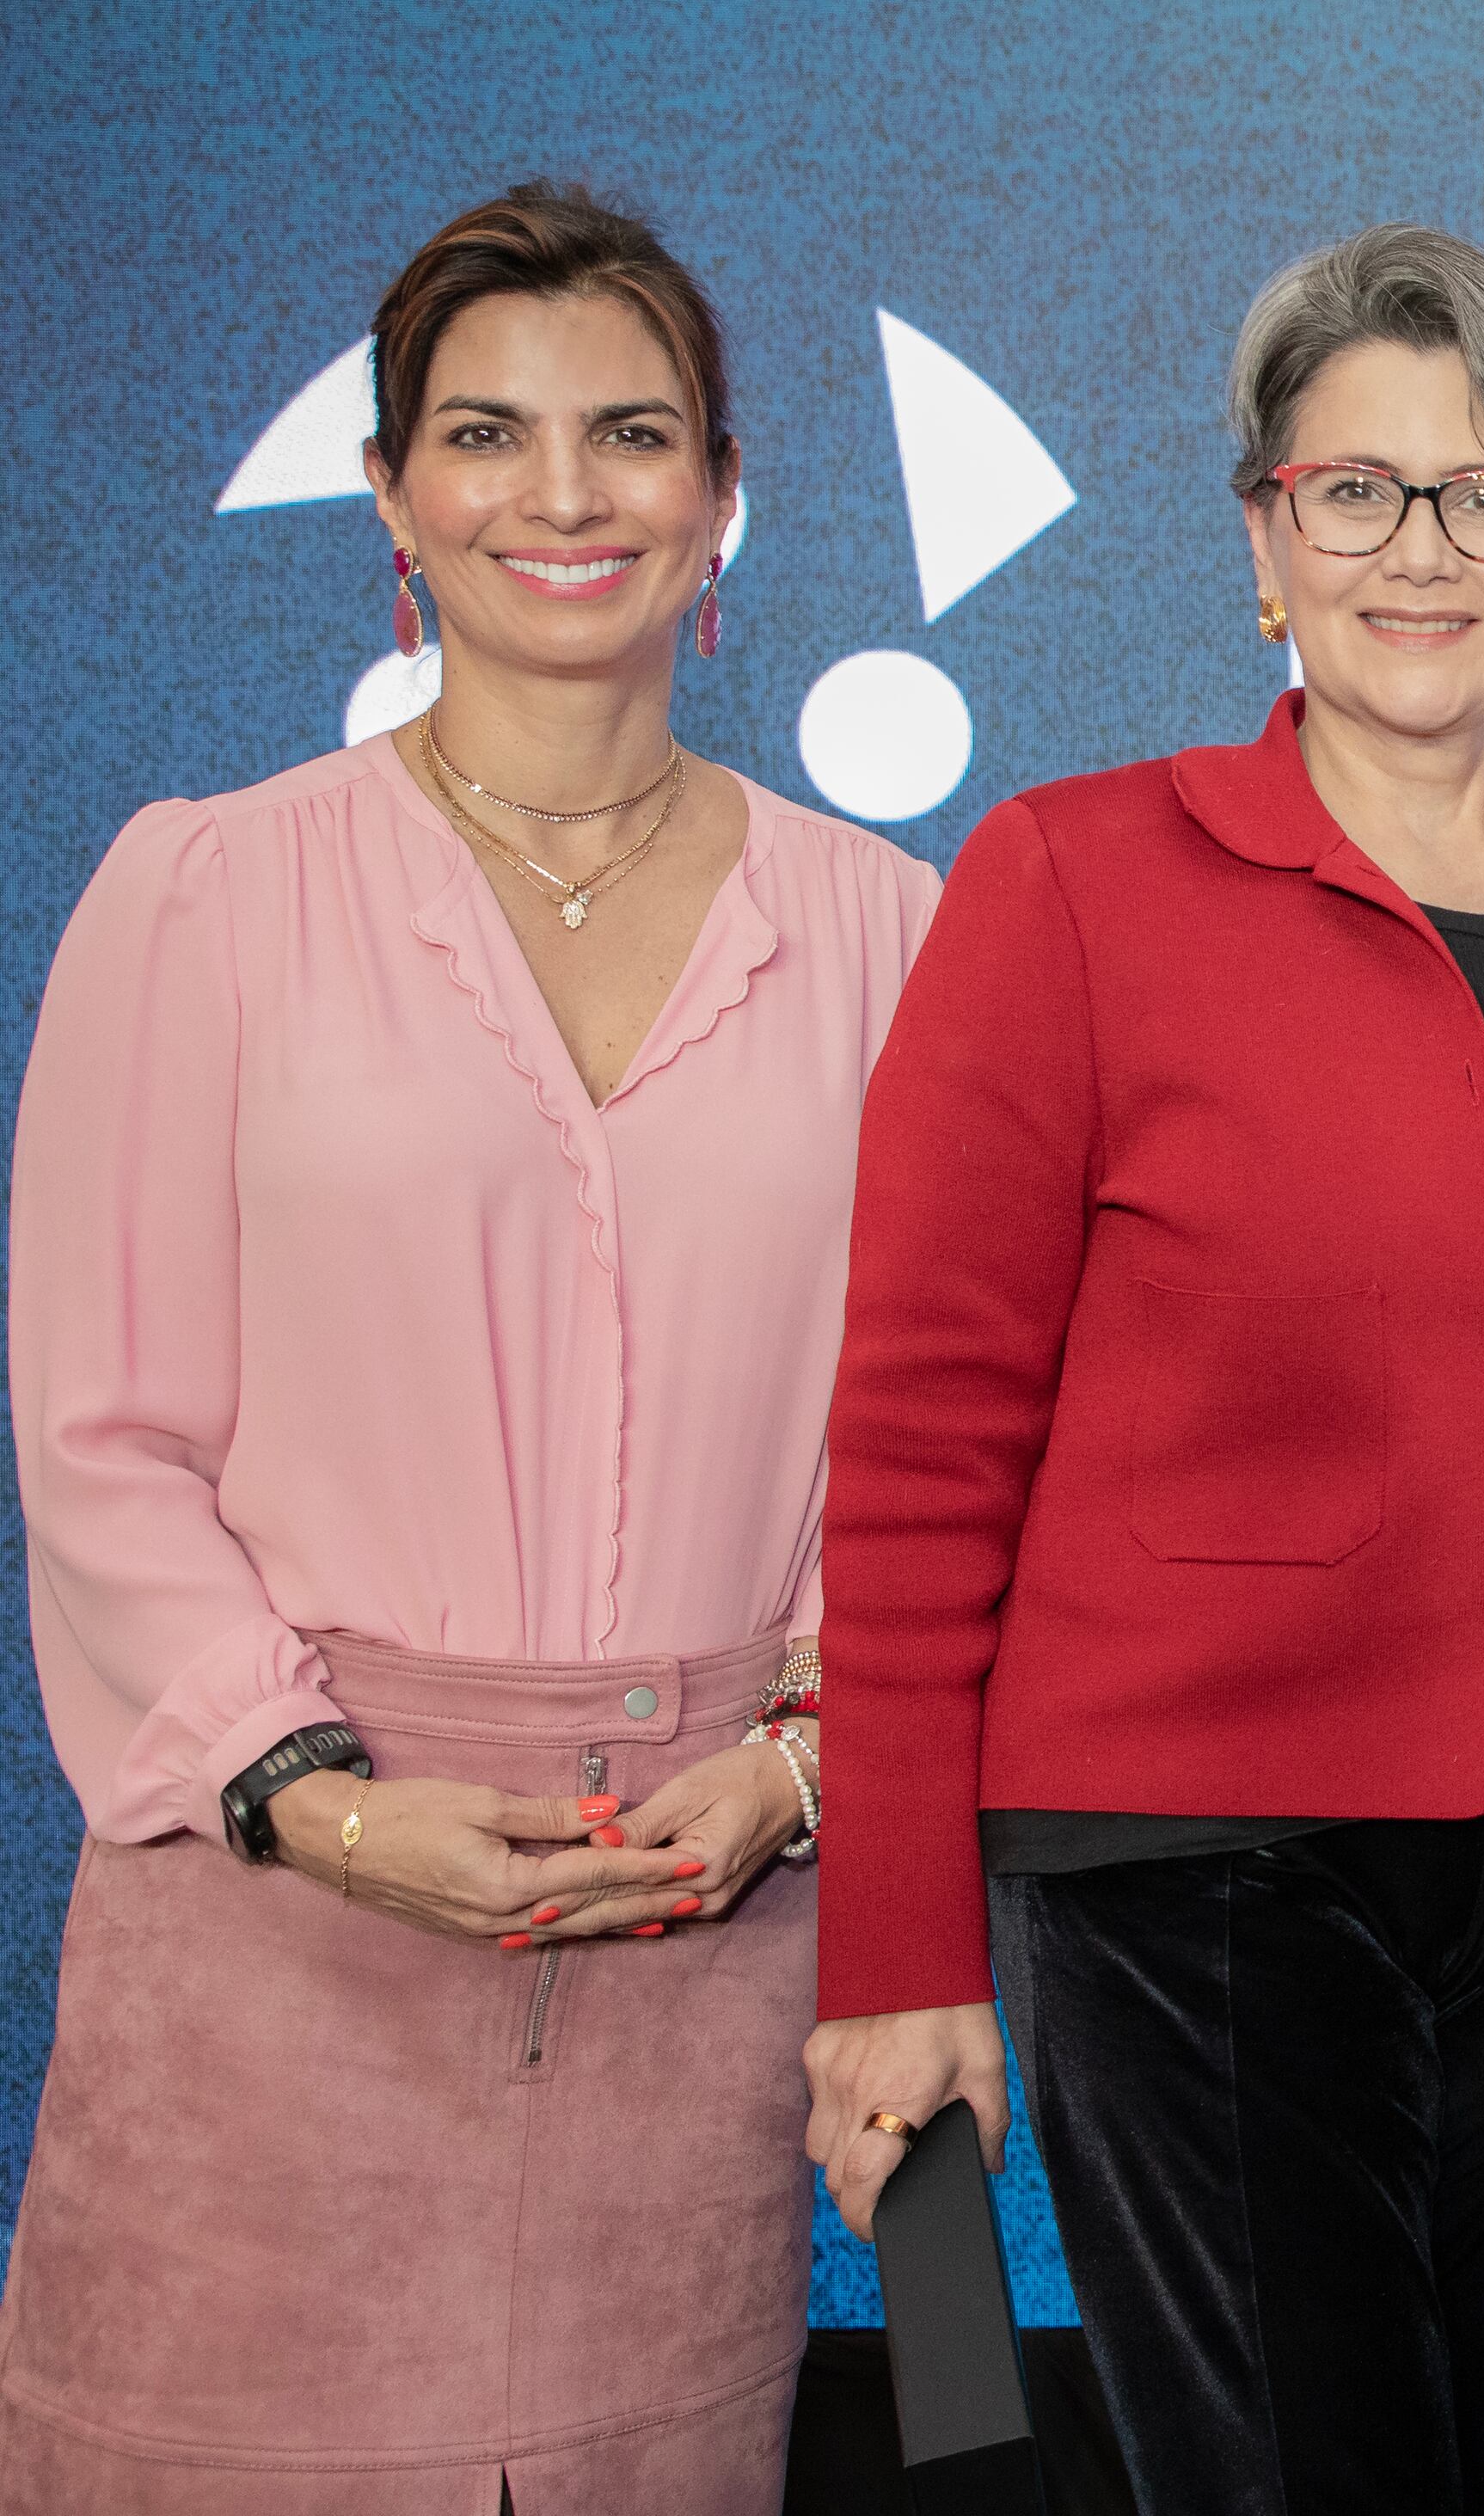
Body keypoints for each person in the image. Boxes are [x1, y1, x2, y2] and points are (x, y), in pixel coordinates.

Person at [803, 224, 1484, 2516]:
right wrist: (892, 1960)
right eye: (1354, 492)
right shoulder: (1068, 886)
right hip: (1195, 1876)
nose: (1419, 552)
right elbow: (916, 1462)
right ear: (1266, 539)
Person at [0, 181, 926, 2513]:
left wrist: (805, 1766)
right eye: (486, 434)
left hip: (698, 1914)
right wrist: (313, 1796)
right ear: (397, 499)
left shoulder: (895, 935)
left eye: (630, 433)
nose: (562, 493)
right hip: (279, 1924)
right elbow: (102, 1439)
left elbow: (925, 1451)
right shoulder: (205, 892)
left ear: (721, 499)